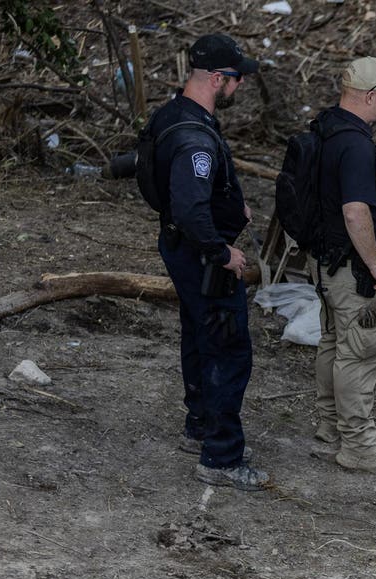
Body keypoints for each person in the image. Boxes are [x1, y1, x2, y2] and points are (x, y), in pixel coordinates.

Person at [147, 34, 265, 490]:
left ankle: (199, 427)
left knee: (199, 335)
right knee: (227, 346)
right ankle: (221, 456)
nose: (239, 88)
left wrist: (234, 207)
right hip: (201, 254)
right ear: (217, 79)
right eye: (236, 80)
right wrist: (223, 252)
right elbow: (190, 207)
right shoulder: (196, 137)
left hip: (182, 245)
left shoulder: (174, 113)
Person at [307, 57, 376, 477]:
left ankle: (329, 428)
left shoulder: (323, 129)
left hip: (322, 261)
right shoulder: (356, 145)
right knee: (361, 350)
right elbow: (355, 212)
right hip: (349, 267)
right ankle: (358, 444)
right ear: (369, 96)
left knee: (333, 342)